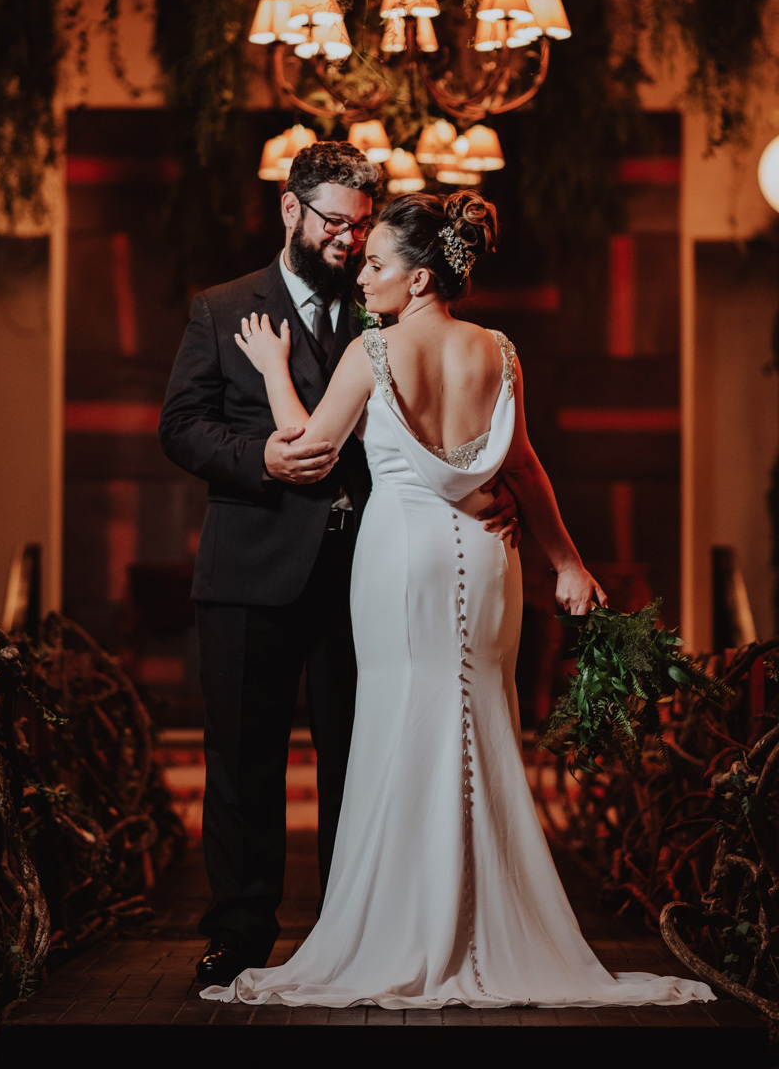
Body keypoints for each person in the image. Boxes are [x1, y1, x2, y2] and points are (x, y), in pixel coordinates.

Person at [200, 189, 714, 1009]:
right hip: (491, 555)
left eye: (376, 265)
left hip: (401, 559)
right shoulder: (500, 351)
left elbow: (311, 449)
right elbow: (526, 469)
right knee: (480, 724)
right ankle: (482, 925)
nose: (362, 278)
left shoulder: (374, 351)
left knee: (403, 724)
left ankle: (406, 926)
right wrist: (568, 565)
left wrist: (270, 370)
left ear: (421, 280)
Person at [158, 145, 518, 987]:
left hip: (369, 575)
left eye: (362, 228)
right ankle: (241, 931)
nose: (351, 243)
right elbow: (180, 427)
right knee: (243, 760)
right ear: (290, 211)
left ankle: (350, 928)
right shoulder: (221, 309)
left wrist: (470, 495)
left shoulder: (386, 308)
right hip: (251, 570)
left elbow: (425, 423)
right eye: (335, 223)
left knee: (360, 759)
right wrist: (261, 462)